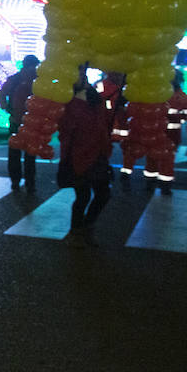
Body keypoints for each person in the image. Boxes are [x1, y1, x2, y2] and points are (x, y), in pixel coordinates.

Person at [57, 75, 113, 247]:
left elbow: (102, 124)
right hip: (80, 156)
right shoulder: (71, 104)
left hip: (96, 155)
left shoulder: (94, 99)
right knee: (84, 196)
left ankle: (84, 228)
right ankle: (77, 232)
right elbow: (67, 132)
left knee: (101, 194)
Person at [0, 55, 39, 192]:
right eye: (32, 66)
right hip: (20, 121)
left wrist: (7, 109)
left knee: (25, 153)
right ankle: (25, 182)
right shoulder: (18, 79)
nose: (33, 69)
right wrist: (8, 109)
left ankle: (24, 182)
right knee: (24, 153)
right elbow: (2, 94)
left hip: (28, 121)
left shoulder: (36, 80)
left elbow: (2, 94)